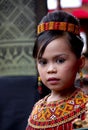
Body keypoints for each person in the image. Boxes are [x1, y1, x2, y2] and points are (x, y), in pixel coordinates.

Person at [26, 10, 88, 130]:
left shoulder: (85, 109)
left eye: (60, 60)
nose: (51, 70)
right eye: (43, 62)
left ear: (80, 63)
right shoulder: (37, 109)